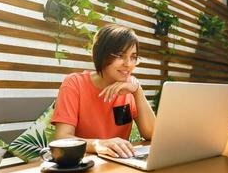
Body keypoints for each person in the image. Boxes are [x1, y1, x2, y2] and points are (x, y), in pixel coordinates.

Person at [51, 24, 156, 159]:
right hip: (85, 162)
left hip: (121, 162)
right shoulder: (74, 84)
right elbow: (62, 138)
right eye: (120, 55)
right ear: (101, 54)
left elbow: (152, 134)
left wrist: (137, 91)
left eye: (133, 57)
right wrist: (97, 144)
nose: (128, 64)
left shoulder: (130, 87)